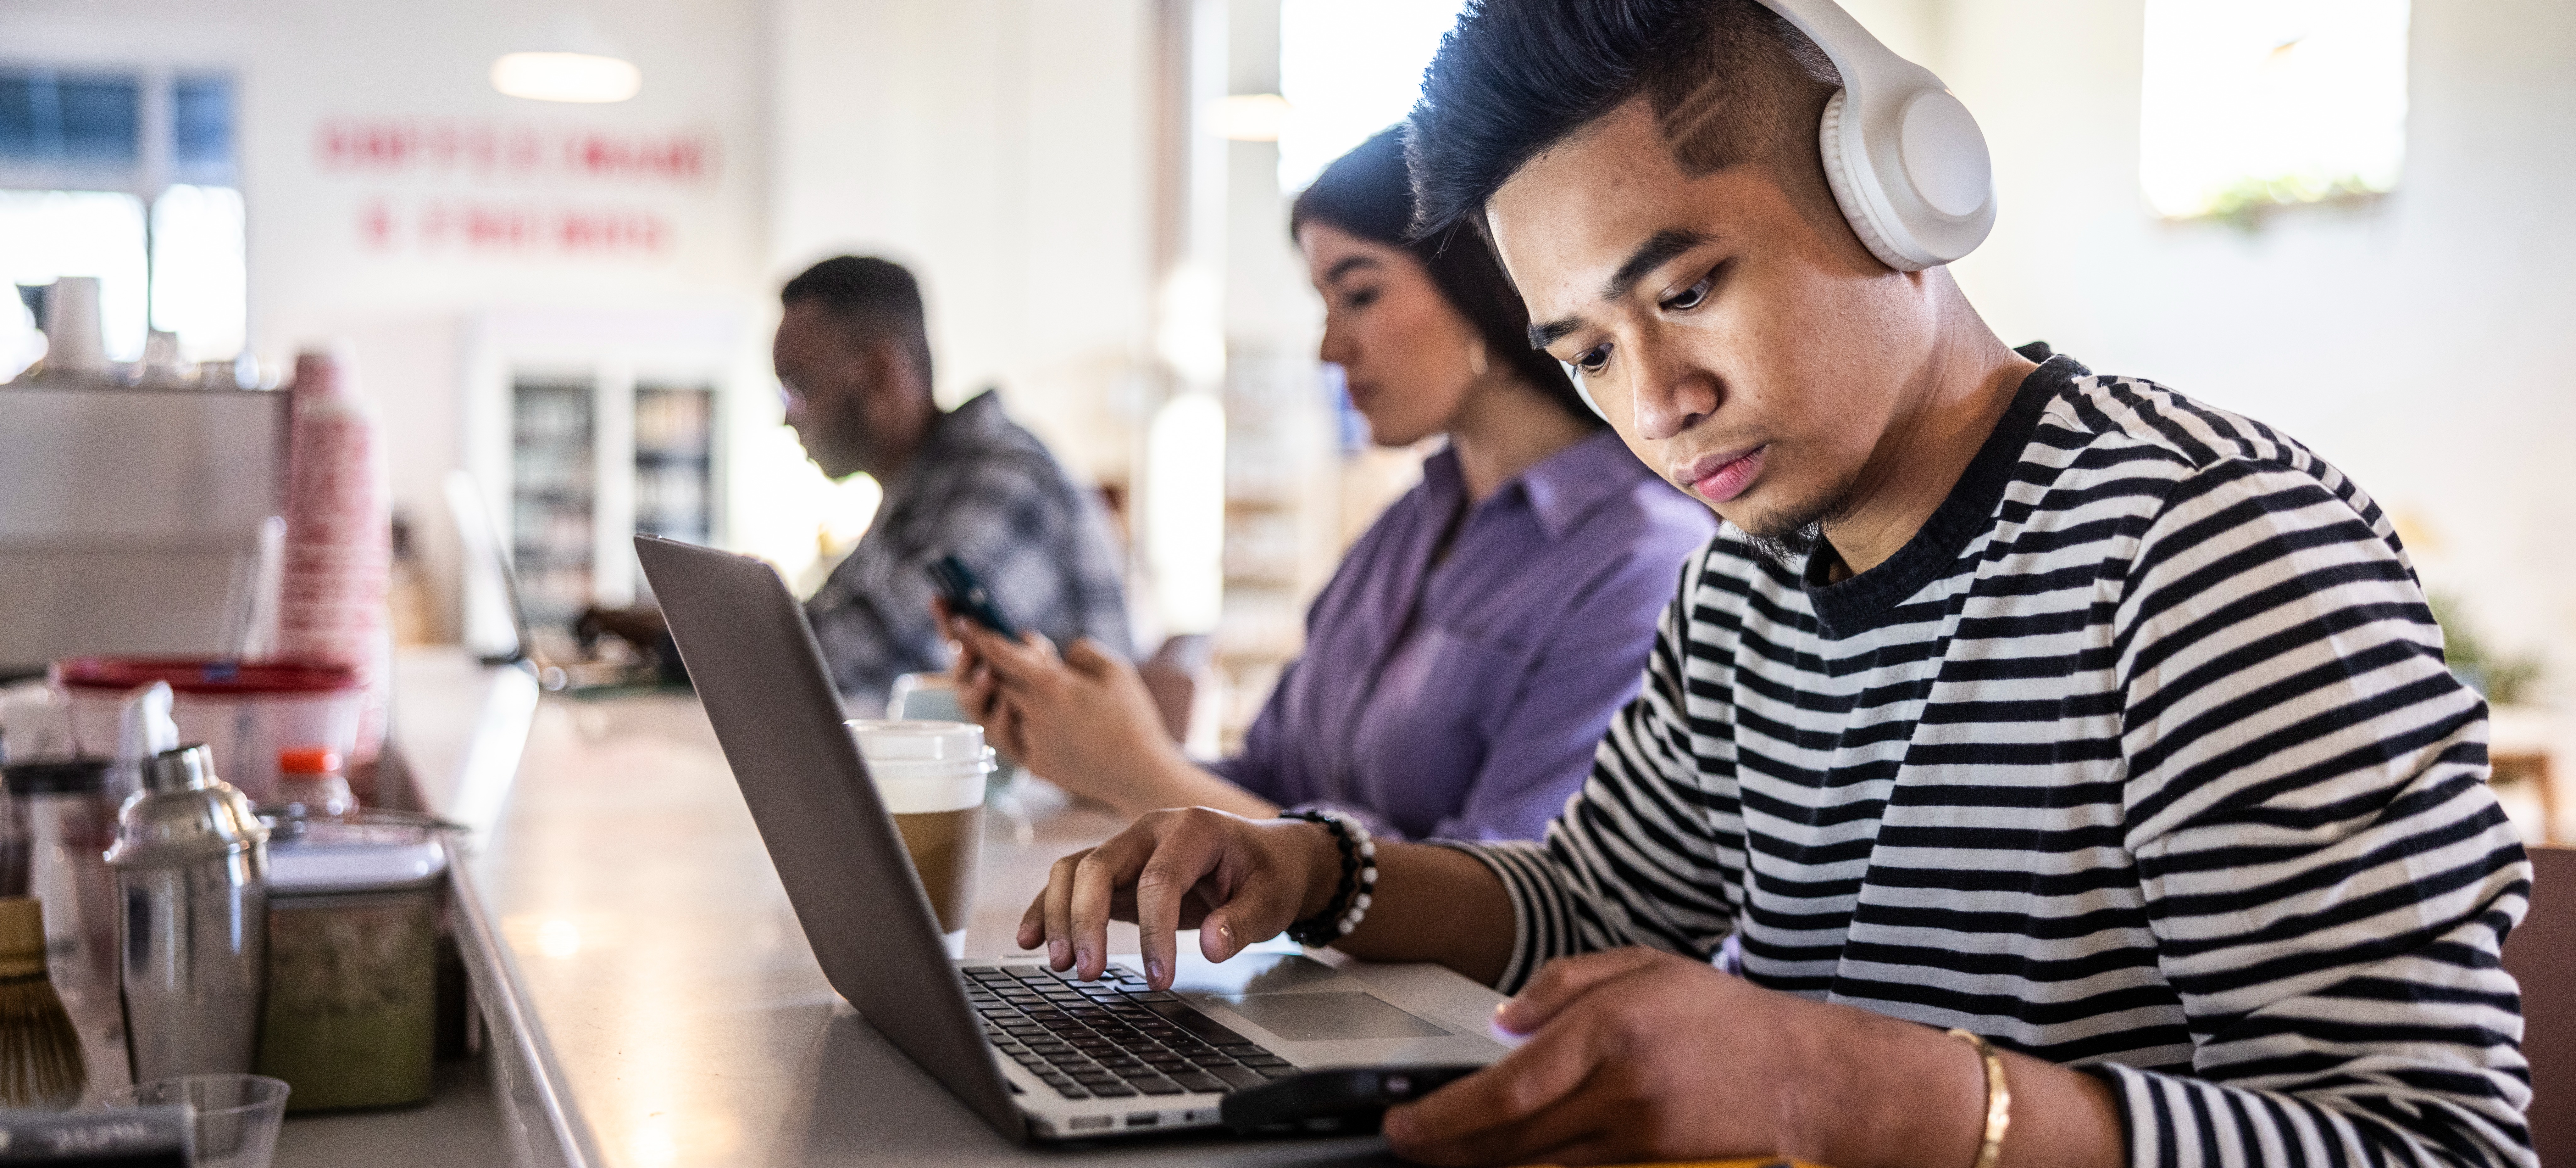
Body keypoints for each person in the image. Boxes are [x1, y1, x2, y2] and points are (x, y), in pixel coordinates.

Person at [1015, 4, 2533, 1168]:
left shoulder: (2210, 551)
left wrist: (1846, 1083)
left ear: (1898, 194)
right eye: (1589, 352)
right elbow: (1599, 901)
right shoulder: (1752, 579)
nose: (1657, 401)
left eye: (1686, 290)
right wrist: (1314, 872)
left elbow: (2423, 1141)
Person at [947, 128, 1714, 839]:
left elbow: (1513, 901)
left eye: (1359, 294)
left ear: (1483, 281)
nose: (1328, 348)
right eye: (1323, 304)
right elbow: (1270, 785)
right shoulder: (1404, 530)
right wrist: (1086, 752)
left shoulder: (1642, 561)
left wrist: (1143, 772)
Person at [594, 256, 1134, 710]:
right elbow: (823, 621)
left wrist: (678, 639)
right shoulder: (918, 491)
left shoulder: (1004, 480)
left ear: (880, 371)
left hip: (1073, 824)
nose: (788, 419)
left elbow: (870, 659)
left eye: (797, 389)